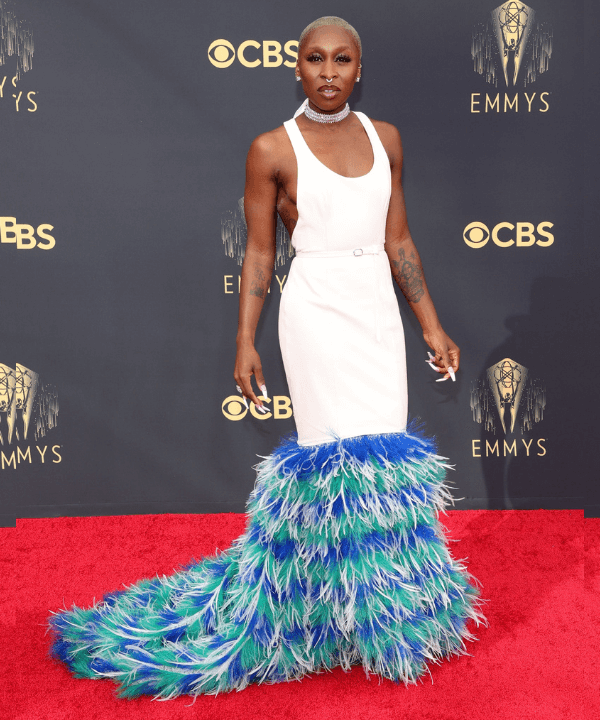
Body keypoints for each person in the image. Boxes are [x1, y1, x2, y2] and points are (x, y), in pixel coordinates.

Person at [48, 17, 487, 699]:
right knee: (332, 461)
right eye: (316, 59)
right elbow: (260, 251)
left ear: (360, 68)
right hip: (314, 311)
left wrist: (430, 324)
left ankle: (376, 612)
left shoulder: (387, 139)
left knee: (383, 464)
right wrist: (244, 338)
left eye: (343, 60)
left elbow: (399, 239)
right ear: (298, 67)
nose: (330, 72)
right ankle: (322, 614)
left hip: (375, 309)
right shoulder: (271, 149)